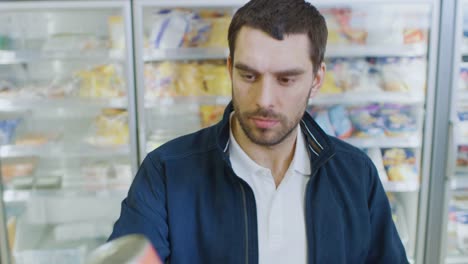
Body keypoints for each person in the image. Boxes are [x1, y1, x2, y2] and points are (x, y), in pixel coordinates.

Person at [109, 0, 408, 263]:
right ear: (229, 69)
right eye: (248, 75)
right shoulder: (166, 171)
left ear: (317, 80)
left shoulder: (356, 174)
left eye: (286, 79)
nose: (264, 100)